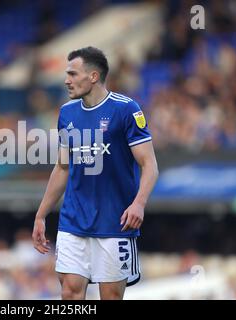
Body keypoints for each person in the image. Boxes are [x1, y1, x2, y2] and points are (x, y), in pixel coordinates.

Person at [32, 47, 159, 300]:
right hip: (73, 221)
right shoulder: (67, 113)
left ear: (92, 76)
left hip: (115, 222)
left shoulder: (126, 110)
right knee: (70, 293)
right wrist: (41, 214)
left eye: (72, 73)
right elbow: (62, 167)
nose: (66, 80)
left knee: (110, 296)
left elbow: (150, 165)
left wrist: (139, 204)